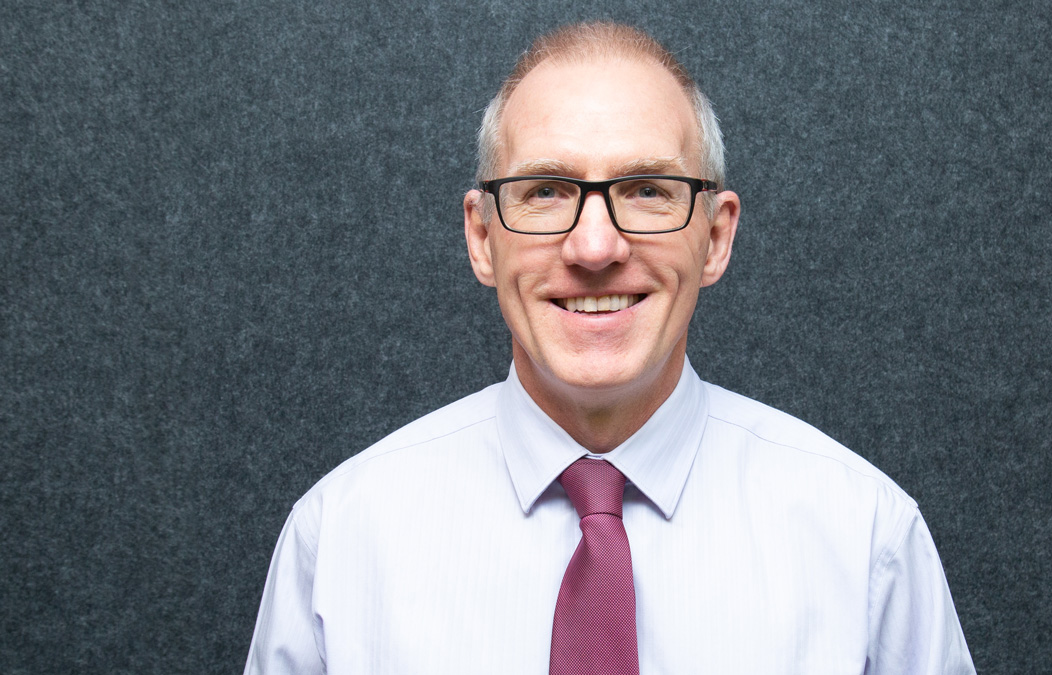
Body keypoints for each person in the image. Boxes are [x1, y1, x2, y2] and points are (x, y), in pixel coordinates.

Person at [245, 21, 975, 674]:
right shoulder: (340, 539)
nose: (595, 246)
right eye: (546, 192)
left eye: (648, 189)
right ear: (481, 238)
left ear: (716, 236)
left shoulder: (865, 537)